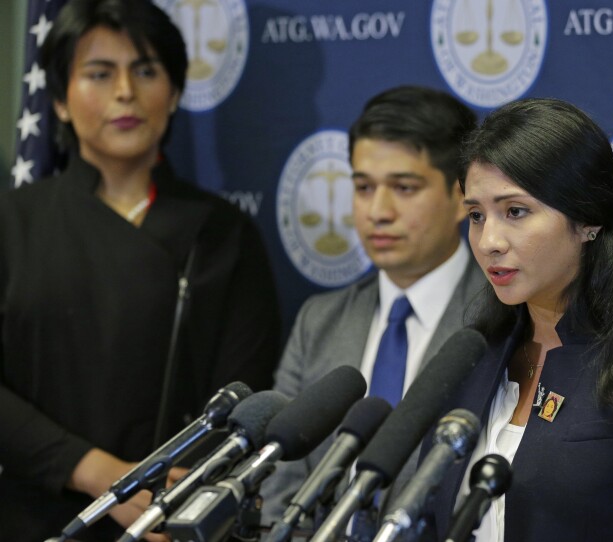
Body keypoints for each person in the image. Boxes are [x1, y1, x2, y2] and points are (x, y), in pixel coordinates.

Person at [0, 1, 281, 540]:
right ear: (58, 100)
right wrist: (100, 475)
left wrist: (169, 490)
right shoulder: (12, 225)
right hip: (32, 516)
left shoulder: (225, 234)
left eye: (146, 71)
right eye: (99, 74)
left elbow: (244, 400)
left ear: (173, 93)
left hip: (172, 515)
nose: (125, 91)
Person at [425, 98, 613, 541]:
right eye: (476, 215)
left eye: (515, 211)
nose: (489, 240)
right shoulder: (471, 358)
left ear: (587, 217)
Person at [260, 86, 484, 528]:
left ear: (461, 196)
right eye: (363, 187)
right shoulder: (319, 321)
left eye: (404, 187)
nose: (378, 211)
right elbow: (278, 487)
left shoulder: (502, 317)